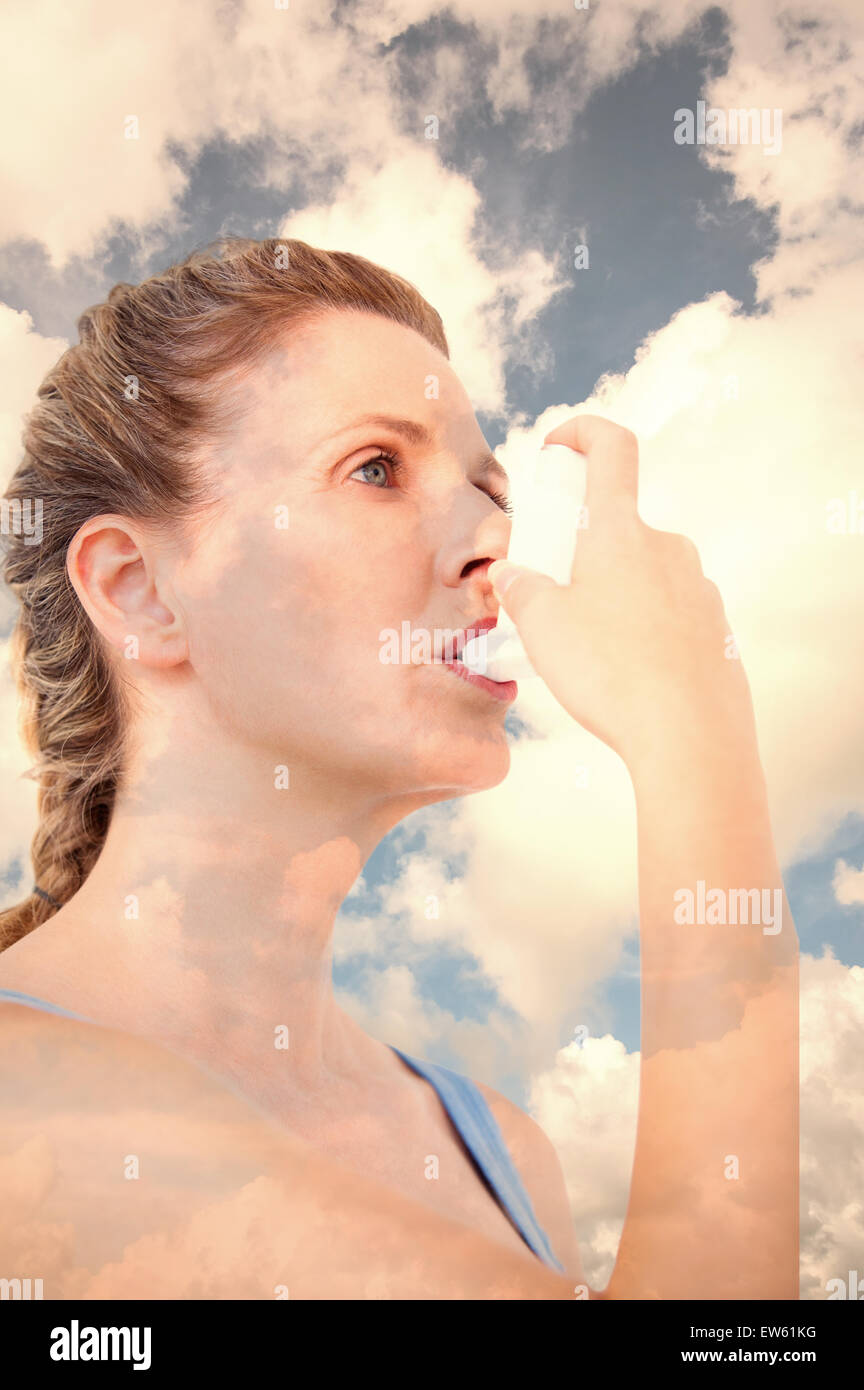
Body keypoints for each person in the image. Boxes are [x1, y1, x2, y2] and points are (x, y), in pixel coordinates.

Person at [0, 237, 798, 1300]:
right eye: (375, 467)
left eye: (486, 487)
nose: (491, 539)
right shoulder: (27, 1104)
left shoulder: (502, 1150)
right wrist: (693, 733)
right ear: (141, 589)